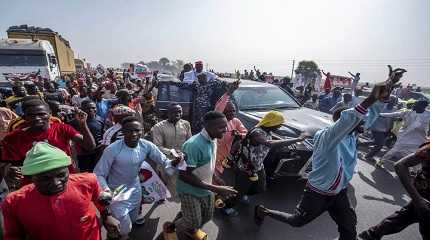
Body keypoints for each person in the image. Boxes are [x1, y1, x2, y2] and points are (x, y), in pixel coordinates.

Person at [254, 70, 403, 240]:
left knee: (349, 230)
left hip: (339, 192)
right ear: (344, 124)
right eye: (359, 122)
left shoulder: (352, 134)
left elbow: (369, 117)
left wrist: (380, 98)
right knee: (296, 221)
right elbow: (350, 118)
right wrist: (370, 99)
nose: (364, 125)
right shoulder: (328, 137)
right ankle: (263, 211)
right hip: (318, 192)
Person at [1, 142, 120, 240]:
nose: (56, 183)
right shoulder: (13, 202)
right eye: (45, 178)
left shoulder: (89, 180)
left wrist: (107, 216)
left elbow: (100, 199)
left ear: (69, 168)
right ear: (31, 178)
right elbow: (13, 236)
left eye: (61, 175)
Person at [94, 116, 179, 239]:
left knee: (133, 219)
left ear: (142, 130)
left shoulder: (146, 145)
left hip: (135, 188)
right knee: (125, 228)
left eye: (137, 130)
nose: (134, 134)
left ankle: (115, 231)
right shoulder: (112, 149)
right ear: (123, 131)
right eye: (129, 130)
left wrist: (175, 162)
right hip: (117, 191)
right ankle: (116, 234)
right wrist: (106, 191)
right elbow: (99, 173)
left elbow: (164, 161)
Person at [0, 98, 96, 190]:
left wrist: (83, 125)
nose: (37, 118)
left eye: (41, 114)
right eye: (31, 115)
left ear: (49, 114)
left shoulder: (62, 129)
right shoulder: (13, 138)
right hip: (33, 187)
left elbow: (90, 146)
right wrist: (8, 170)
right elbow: (5, 164)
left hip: (65, 183)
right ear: (24, 117)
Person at [173, 111, 238, 239]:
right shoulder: (193, 145)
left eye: (226, 126)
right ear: (207, 126)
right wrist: (216, 189)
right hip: (189, 191)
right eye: (221, 127)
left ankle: (184, 223)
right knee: (193, 221)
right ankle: (177, 230)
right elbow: (184, 175)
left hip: (205, 189)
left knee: (207, 216)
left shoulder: (213, 138)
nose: (225, 130)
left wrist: (215, 178)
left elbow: (208, 163)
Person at [359, 142, 430, 239]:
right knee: (400, 219)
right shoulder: (427, 150)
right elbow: (401, 165)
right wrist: (419, 200)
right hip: (424, 202)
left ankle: (371, 234)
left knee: (399, 219)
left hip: (422, 203)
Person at [236, 111, 307, 204]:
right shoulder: (257, 132)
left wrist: (288, 142)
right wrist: (298, 139)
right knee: (241, 187)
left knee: (261, 188)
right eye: (279, 124)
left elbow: (273, 139)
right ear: (272, 123)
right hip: (246, 166)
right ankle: (228, 205)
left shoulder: (267, 131)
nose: (279, 127)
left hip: (258, 165)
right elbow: (269, 143)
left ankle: (242, 194)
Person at [151, 102, 192, 197]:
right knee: (163, 181)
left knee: (181, 184)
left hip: (183, 159)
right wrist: (172, 152)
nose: (177, 114)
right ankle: (160, 196)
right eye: (173, 112)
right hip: (166, 160)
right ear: (168, 113)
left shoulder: (186, 124)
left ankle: (182, 203)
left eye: (179, 112)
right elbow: (157, 146)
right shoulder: (158, 127)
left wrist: (185, 153)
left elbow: (190, 142)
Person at [376, 100, 430, 167]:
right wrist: (380, 115)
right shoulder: (408, 112)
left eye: (416, 104)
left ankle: (415, 171)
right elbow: (394, 114)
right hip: (405, 136)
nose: (414, 106)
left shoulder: (428, 115)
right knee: (394, 150)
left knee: (417, 154)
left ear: (423, 107)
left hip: (419, 139)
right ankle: (381, 161)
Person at [69, 99, 105, 172]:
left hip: (97, 153)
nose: (91, 110)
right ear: (82, 109)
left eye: (93, 108)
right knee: (85, 173)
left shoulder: (100, 119)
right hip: (83, 154)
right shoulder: (74, 122)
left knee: (97, 171)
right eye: (88, 108)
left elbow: (102, 134)